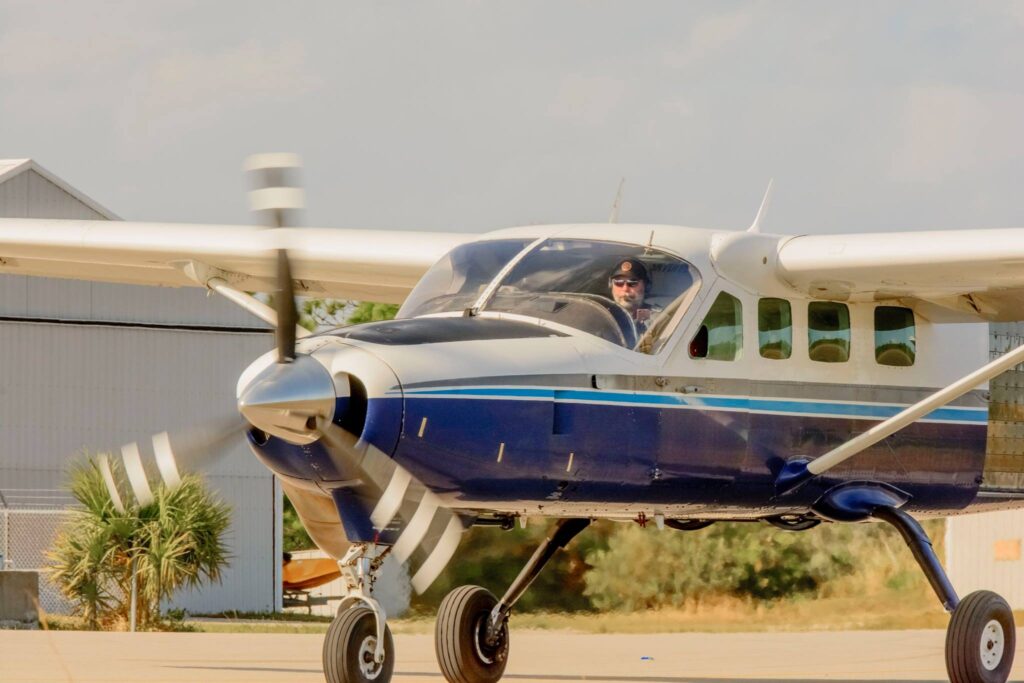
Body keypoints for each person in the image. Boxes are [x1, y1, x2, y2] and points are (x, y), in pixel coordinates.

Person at [608, 257, 656, 334]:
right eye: (618, 282)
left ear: (646, 286)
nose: (625, 289)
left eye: (633, 283)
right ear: (611, 285)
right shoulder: (602, 314)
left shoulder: (657, 320)